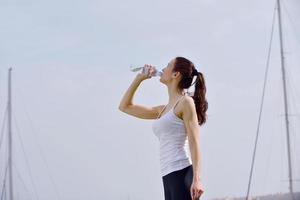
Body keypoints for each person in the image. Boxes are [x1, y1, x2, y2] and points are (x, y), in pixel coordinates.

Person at [119, 56, 208, 200]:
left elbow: (194, 142)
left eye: (168, 65)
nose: (163, 68)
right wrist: (139, 79)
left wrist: (197, 179)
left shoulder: (185, 102)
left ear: (175, 74)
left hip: (182, 172)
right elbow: (124, 107)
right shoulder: (162, 110)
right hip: (167, 175)